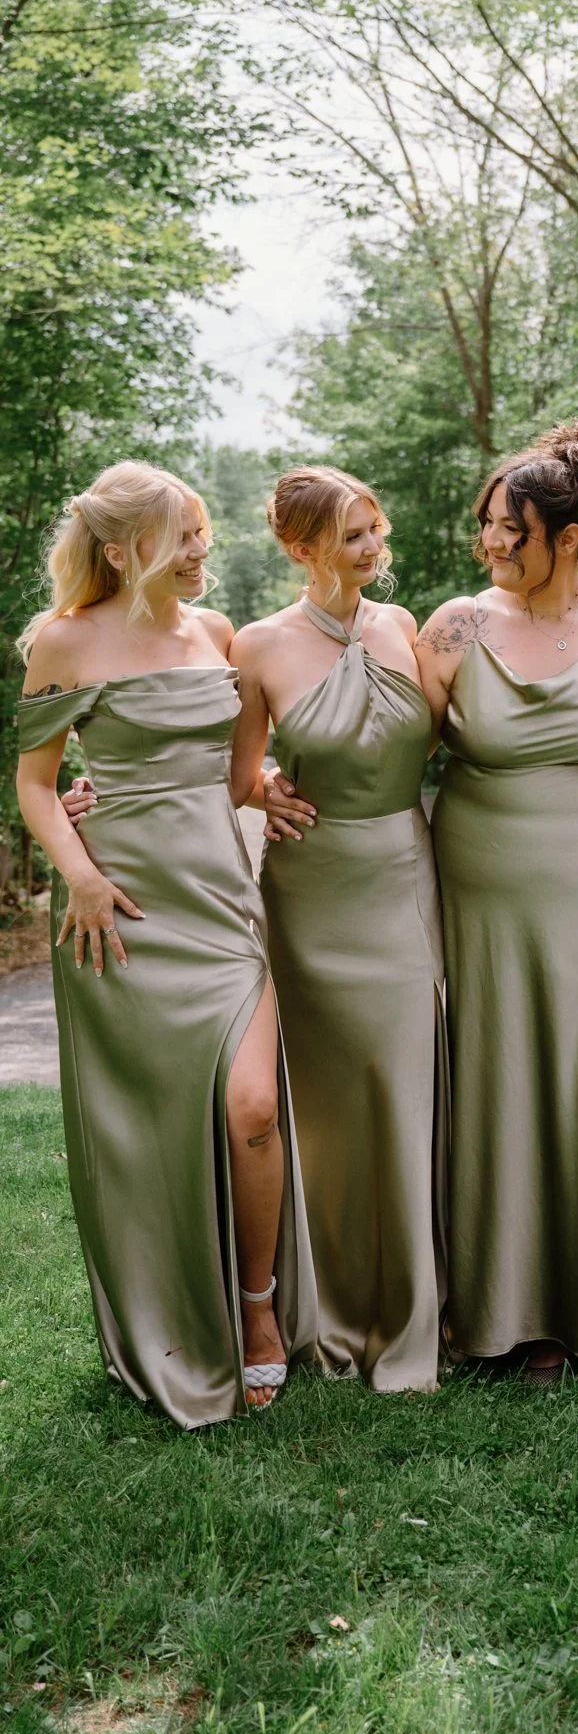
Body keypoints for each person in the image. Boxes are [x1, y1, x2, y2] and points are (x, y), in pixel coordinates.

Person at [15, 461, 315, 1426]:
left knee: (254, 1106)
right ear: (122, 549)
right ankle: (171, 1315)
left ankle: (259, 1310)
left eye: (200, 533)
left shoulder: (216, 634)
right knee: (146, 1132)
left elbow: (230, 773)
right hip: (125, 913)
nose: (201, 550)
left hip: (224, 903)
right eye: (184, 534)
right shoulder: (63, 642)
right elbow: (34, 782)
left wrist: (264, 783)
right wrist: (81, 873)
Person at [415, 420, 578, 1394]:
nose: (490, 542)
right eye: (486, 525)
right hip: (486, 896)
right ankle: (520, 1315)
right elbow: (383, 754)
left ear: (566, 537)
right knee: (511, 1098)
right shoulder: (453, 627)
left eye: (509, 528)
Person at [227, 466, 447, 1392]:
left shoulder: (403, 627)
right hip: (313, 892)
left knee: (403, 1080)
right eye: (352, 535)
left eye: (373, 530)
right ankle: (325, 1306)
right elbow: (238, 773)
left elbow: (458, 735)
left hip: (403, 871)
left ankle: (419, 1307)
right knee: (320, 1102)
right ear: (300, 547)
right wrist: (267, 795)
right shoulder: (257, 645)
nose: (372, 548)